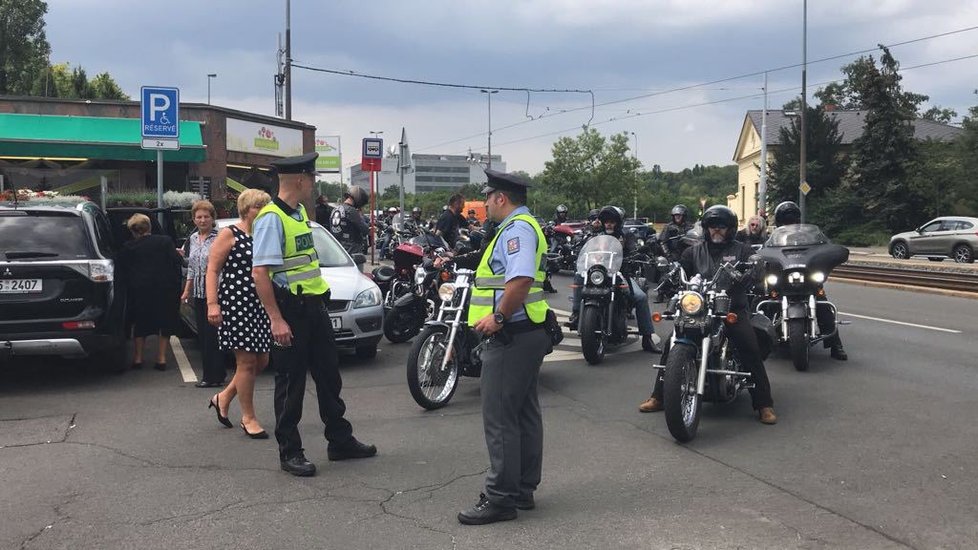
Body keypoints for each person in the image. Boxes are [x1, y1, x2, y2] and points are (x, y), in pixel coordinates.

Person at [252, 152, 376, 477]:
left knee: (329, 377)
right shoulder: (271, 218)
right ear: (301, 180)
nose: (314, 183)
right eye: (312, 177)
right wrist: (276, 319)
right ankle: (290, 452)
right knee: (291, 384)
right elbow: (260, 274)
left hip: (314, 307)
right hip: (291, 312)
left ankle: (340, 441)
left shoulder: (300, 215)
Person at [449, 169, 551, 525]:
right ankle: (521, 489)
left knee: (500, 417)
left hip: (512, 335)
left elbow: (520, 279)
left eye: (488, 197)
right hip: (525, 334)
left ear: (500, 198)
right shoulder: (518, 227)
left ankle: (501, 498)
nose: (486, 204)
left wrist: (499, 318)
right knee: (523, 412)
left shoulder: (517, 230)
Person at [638, 206, 777, 424]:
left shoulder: (742, 250)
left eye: (721, 227)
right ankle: (659, 396)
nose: (716, 231)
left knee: (748, 345)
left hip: (731, 306)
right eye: (712, 227)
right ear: (706, 228)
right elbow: (679, 271)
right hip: (699, 306)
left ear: (730, 229)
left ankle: (763, 404)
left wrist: (754, 271)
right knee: (672, 344)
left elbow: (755, 269)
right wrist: (668, 276)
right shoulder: (693, 251)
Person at [205, 189, 273, 438]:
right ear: (246, 209)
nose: (262, 211)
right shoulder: (229, 233)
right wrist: (213, 304)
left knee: (262, 361)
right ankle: (249, 418)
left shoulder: (264, 235)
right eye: (258, 207)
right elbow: (212, 270)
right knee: (246, 363)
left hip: (260, 304)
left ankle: (223, 397)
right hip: (236, 303)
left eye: (265, 207)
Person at [566, 206, 661, 353]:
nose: (609, 224)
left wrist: (637, 254)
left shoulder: (626, 236)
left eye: (612, 222)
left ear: (618, 223)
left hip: (620, 274)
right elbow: (586, 250)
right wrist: (577, 255)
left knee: (640, 297)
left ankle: (647, 338)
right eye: (606, 222)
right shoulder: (597, 237)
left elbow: (633, 248)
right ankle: (577, 313)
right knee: (579, 276)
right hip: (599, 274)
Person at [772, 201, 847, 360]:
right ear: (779, 221)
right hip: (782, 281)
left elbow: (826, 247)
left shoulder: (809, 235)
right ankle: (761, 342)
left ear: (798, 219)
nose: (789, 223)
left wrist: (832, 253)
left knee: (824, 307)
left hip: (807, 279)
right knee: (765, 304)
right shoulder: (773, 238)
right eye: (786, 220)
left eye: (792, 219)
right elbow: (763, 251)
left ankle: (836, 345)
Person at [118, 213, 183, 371]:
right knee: (164, 323)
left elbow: (122, 268)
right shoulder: (165, 241)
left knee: (140, 323)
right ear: (149, 226)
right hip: (164, 289)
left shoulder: (128, 247)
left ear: (133, 230)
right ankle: (161, 359)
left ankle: (138, 358)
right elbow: (176, 261)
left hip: (139, 290)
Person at [180, 200, 222, 388]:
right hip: (198, 292)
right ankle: (211, 373)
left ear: (212, 218)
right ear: (194, 219)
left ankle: (212, 376)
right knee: (203, 335)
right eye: (199, 217)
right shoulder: (193, 239)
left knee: (213, 336)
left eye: (206, 216)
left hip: (216, 293)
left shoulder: (219, 238)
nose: (203, 220)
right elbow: (192, 267)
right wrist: (187, 290)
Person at [330, 186, 369, 258]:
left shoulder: (335, 209)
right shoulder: (351, 211)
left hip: (338, 248)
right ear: (358, 198)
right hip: (352, 250)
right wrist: (361, 216)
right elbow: (365, 230)